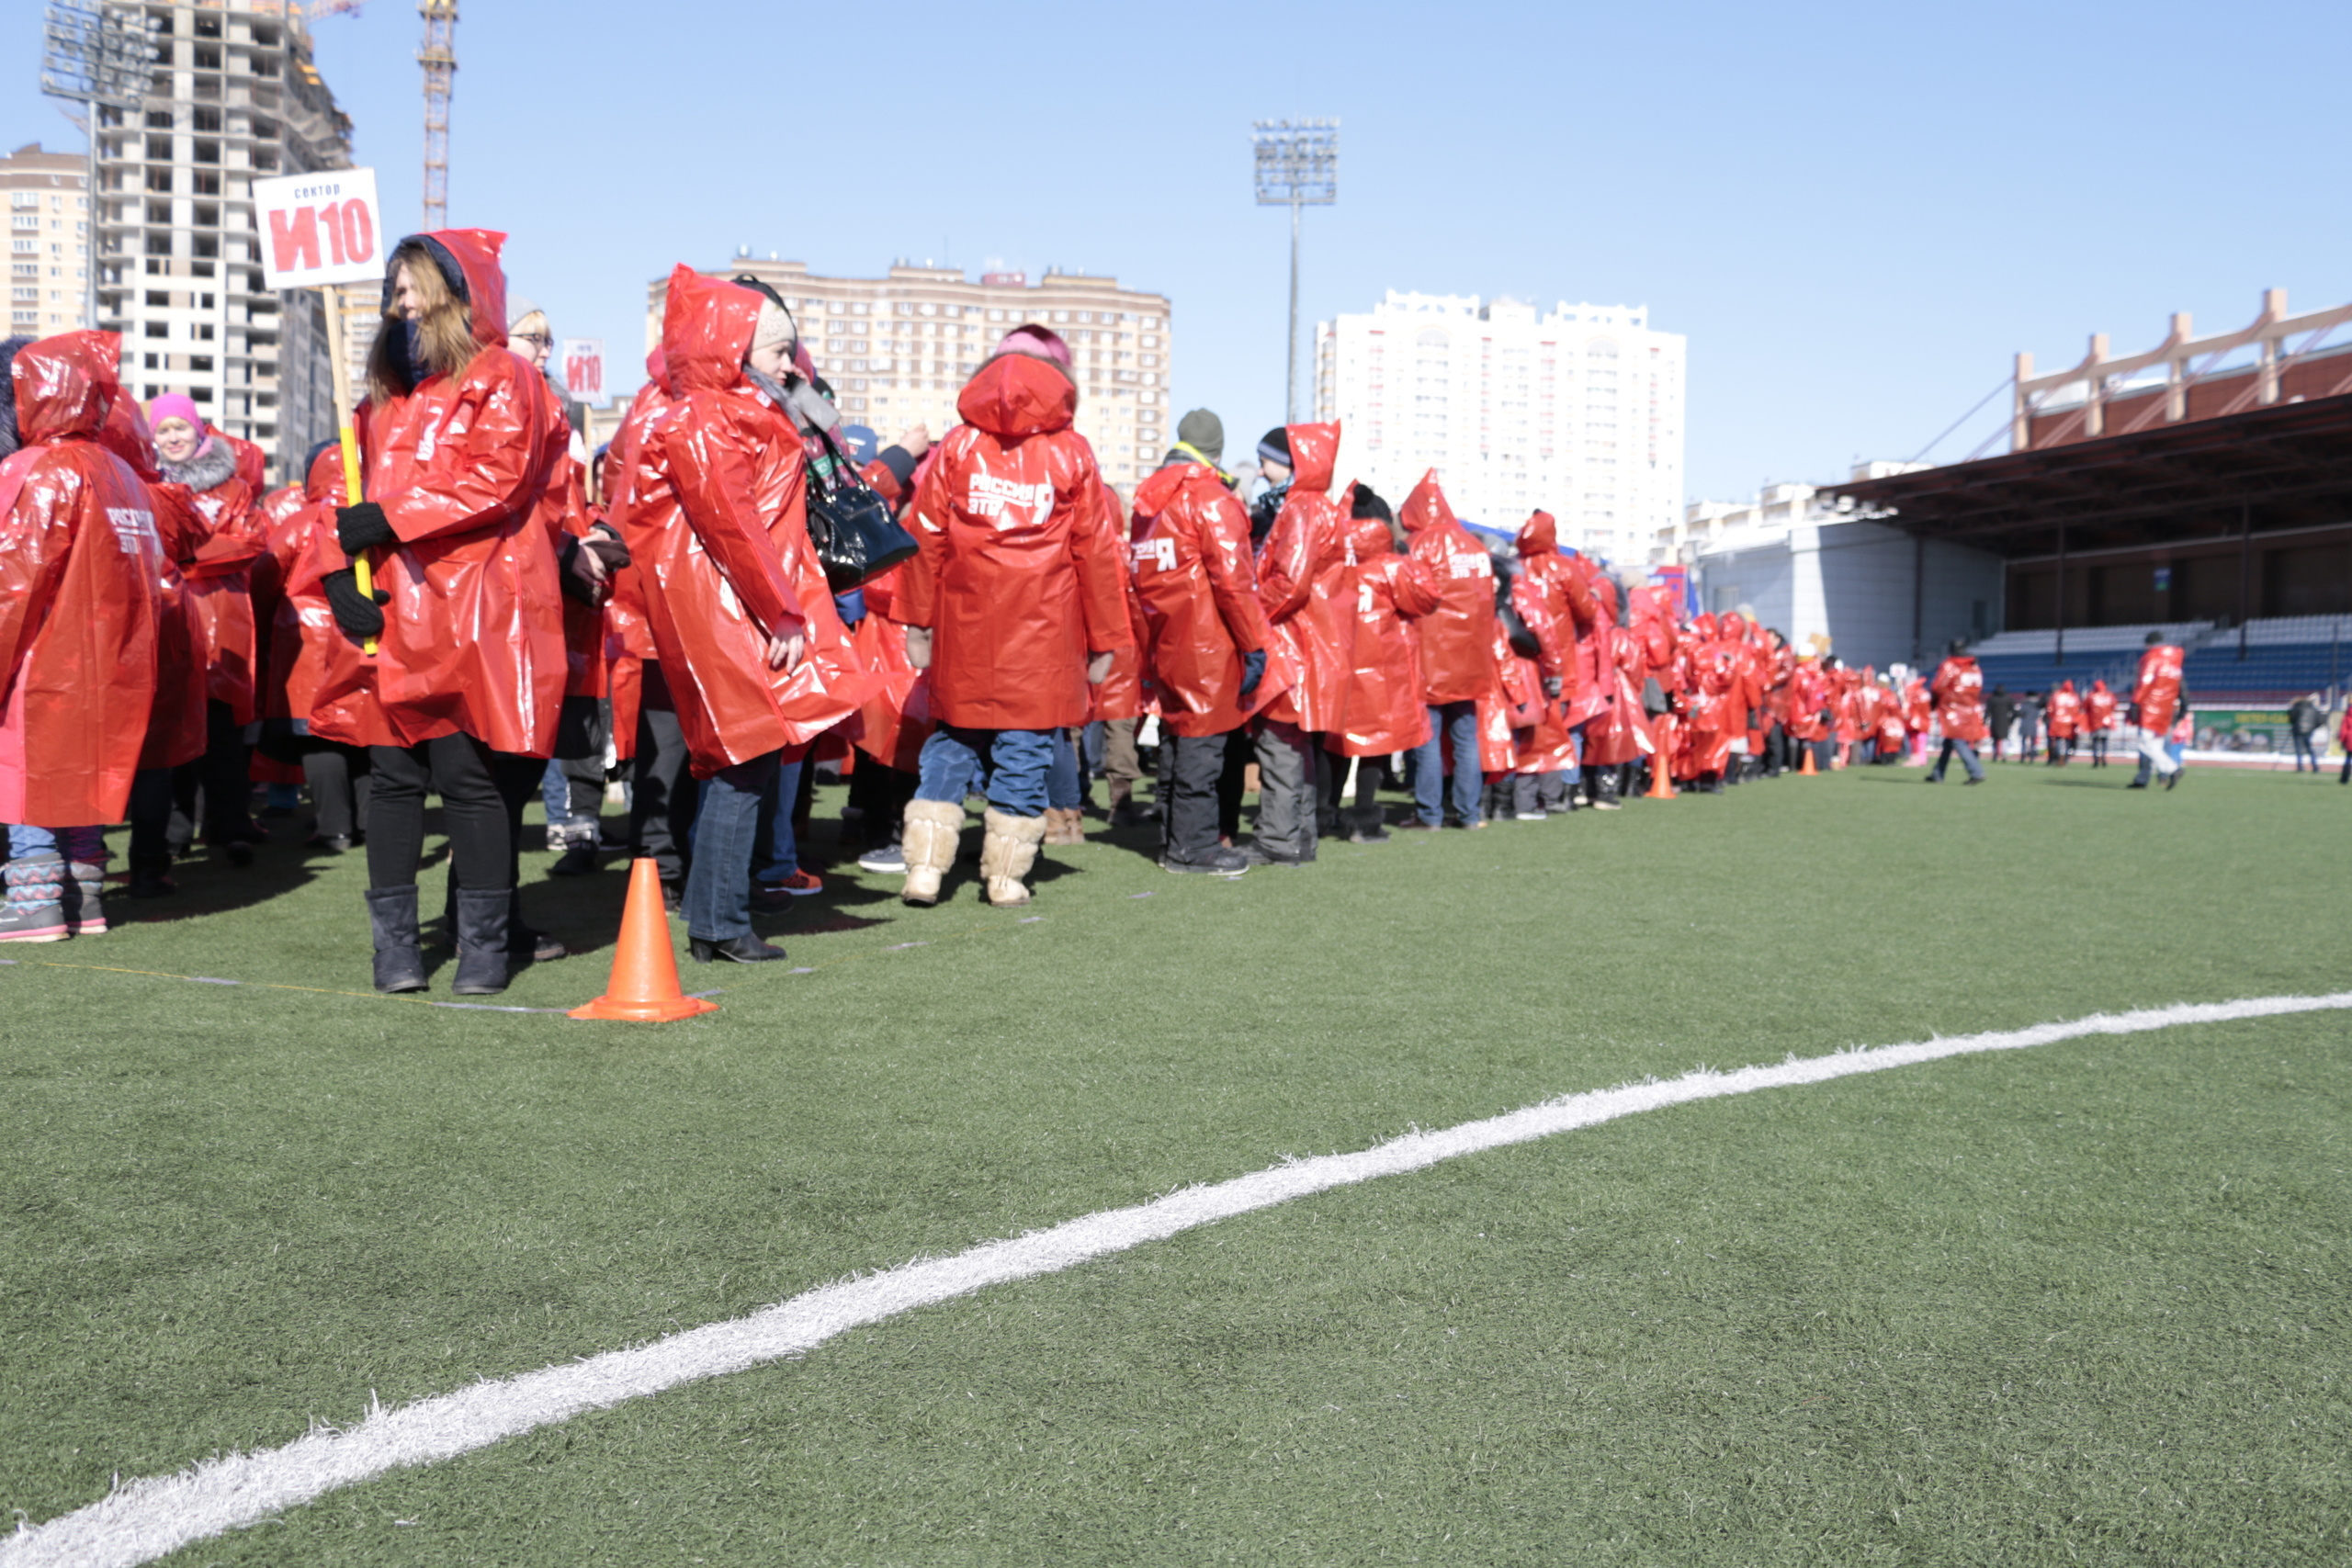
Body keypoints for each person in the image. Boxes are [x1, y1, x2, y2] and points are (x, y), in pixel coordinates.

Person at [310, 229, 566, 995]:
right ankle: (395, 952)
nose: (400, 301)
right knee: (390, 778)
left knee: (468, 779)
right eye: (395, 289)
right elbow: (336, 497)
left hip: (472, 610)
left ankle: (483, 951)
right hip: (392, 613)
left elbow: (496, 478)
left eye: (413, 285)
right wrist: (336, 580)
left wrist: (387, 520)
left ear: (458, 295)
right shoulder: (382, 401)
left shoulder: (505, 376)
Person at [615, 267, 869, 958]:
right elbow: (732, 522)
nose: (791, 364)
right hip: (731, 609)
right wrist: (782, 611)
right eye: (779, 351)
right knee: (743, 761)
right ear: (734, 347)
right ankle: (720, 923)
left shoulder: (716, 409)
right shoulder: (711, 414)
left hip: (733, 603)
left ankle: (714, 917)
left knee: (741, 761)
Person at [894, 322, 1128, 907]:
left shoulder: (957, 447)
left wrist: (917, 622)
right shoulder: (1071, 452)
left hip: (964, 629)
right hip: (1043, 637)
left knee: (950, 744)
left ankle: (925, 866)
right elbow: (1096, 552)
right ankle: (1004, 876)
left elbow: (924, 537)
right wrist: (1105, 640)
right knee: (1024, 752)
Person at [0, 331, 164, 941]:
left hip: (45, 656)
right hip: (111, 661)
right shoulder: (122, 472)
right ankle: (85, 898)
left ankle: (35, 902)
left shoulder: (39, 469)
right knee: (82, 775)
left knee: (25, 776)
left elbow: (14, 585)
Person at [1129, 427, 1276, 874]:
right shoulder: (1210, 498)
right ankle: (1194, 848)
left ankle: (1176, 842)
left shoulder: (1147, 504)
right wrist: (1254, 644)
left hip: (1166, 637)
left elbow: (1134, 581)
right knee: (1202, 750)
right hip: (1209, 642)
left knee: (1176, 743)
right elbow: (1234, 583)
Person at [149, 392, 268, 859]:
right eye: (163, 430)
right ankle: (175, 833)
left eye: (180, 427)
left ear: (199, 430)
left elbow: (249, 542)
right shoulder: (148, 484)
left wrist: (184, 558)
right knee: (171, 732)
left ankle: (229, 824)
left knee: (221, 735)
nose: (173, 436)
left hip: (219, 619)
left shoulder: (234, 489)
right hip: (168, 616)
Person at [1246, 422, 1352, 865]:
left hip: (1293, 645)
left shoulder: (1303, 508)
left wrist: (1248, 616)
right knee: (1297, 748)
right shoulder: (1321, 507)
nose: (1261, 468)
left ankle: (1279, 838)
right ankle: (1299, 835)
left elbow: (1289, 583)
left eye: (1267, 459)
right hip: (1314, 644)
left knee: (1281, 746)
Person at [1326, 485, 1434, 840]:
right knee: (1374, 747)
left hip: (1336, 662)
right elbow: (1426, 599)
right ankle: (1364, 819)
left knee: (1335, 745)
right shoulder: (1391, 566)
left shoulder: (1331, 557)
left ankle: (1324, 814)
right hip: (1381, 668)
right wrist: (1405, 557)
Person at [1396, 470, 1497, 829]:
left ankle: (1429, 814)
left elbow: (1406, 596)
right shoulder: (1476, 547)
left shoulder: (1417, 545)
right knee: (1466, 739)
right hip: (1470, 659)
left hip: (1429, 656)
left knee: (1428, 740)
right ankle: (1469, 813)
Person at [2125, 628, 2185, 791]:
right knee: (2156, 745)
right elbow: (2180, 686)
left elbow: (2145, 682)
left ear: (2149, 644)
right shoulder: (2175, 661)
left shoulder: (2151, 657)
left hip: (2150, 707)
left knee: (2145, 744)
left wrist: (2135, 703)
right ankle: (2143, 778)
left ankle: (2172, 769)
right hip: (2167, 707)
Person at [1925, 639, 1987, 784]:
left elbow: (1938, 686)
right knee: (1949, 742)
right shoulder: (1974, 667)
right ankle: (1937, 773)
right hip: (1970, 708)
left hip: (1953, 708)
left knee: (1958, 741)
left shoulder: (1951, 665)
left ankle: (1976, 772)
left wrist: (1935, 703)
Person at [2082, 677, 2117, 767]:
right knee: (2104, 740)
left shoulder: (2091, 695)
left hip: (2094, 722)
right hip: (2106, 721)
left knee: (2095, 741)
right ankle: (2104, 756)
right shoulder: (2109, 695)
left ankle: (2096, 759)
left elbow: (2085, 706)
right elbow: (2114, 705)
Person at [2046, 678, 2081, 764]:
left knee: (2058, 739)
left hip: (2058, 721)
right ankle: (2066, 757)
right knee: (2068, 740)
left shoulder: (2056, 695)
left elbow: (2050, 708)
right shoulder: (2074, 696)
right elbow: (2077, 709)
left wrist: (2051, 717)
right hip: (2069, 722)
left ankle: (2059, 756)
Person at [2287, 692, 2323, 773]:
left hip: (2298, 730)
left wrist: (2290, 710)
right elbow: (2319, 719)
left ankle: (2300, 766)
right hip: (2309, 731)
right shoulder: (2313, 708)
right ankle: (2315, 766)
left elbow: (2292, 718)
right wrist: (2313, 727)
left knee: (2299, 749)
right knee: (2310, 749)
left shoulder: (2297, 707)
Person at [1985, 684, 2016, 762]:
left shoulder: (1992, 699)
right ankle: (2004, 755)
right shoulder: (2008, 699)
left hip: (1995, 721)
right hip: (2004, 722)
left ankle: (1995, 755)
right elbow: (2013, 711)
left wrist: (1985, 720)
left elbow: (1987, 711)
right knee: (2004, 739)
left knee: (1995, 739)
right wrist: (2011, 720)